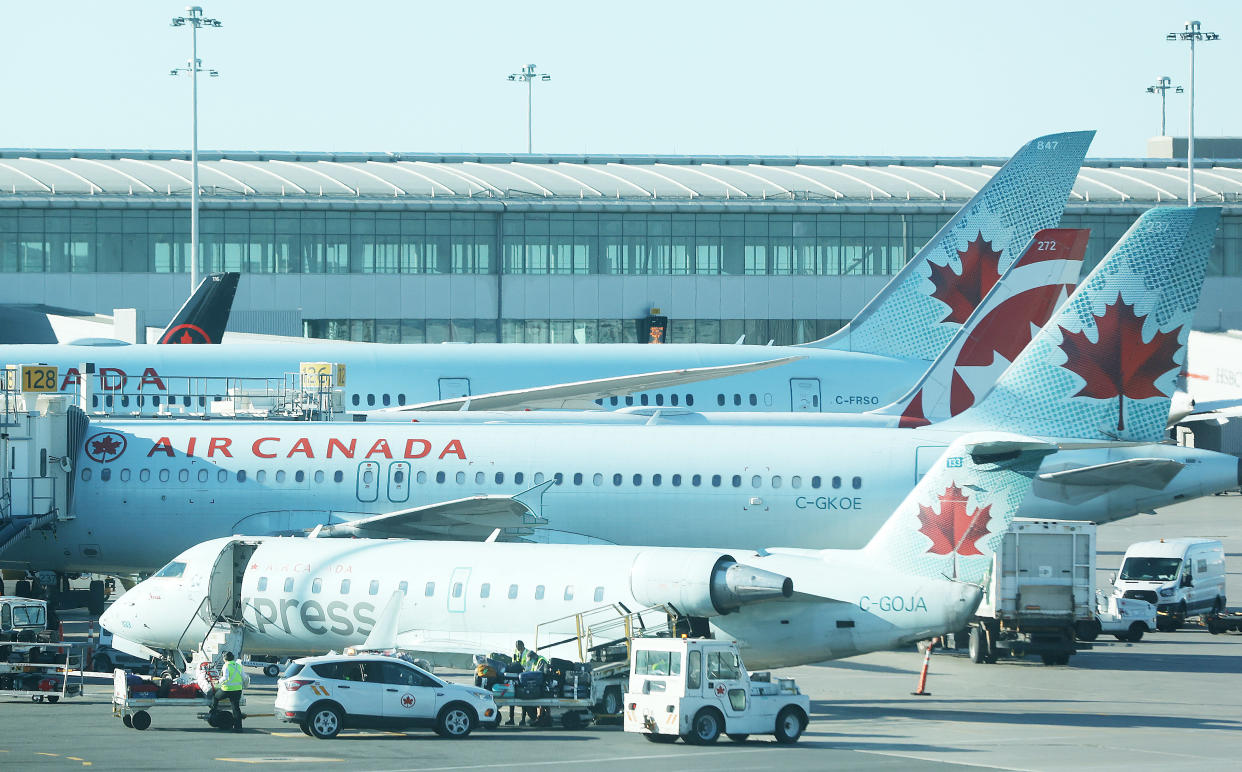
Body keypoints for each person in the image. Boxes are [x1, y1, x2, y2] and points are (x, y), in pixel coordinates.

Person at [218, 651, 245, 733]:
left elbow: (225, 677)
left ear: (225, 658)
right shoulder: (238, 665)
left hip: (227, 690)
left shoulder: (226, 665)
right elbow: (244, 677)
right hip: (237, 690)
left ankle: (214, 713)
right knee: (236, 708)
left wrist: (218, 681)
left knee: (216, 698)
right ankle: (238, 727)